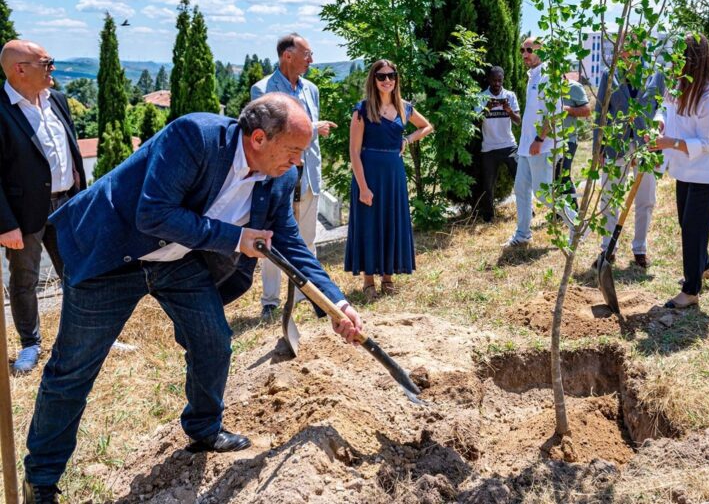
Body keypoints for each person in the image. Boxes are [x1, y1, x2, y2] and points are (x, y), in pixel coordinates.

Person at [22, 94, 363, 504]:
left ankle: (204, 428)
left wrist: (335, 305)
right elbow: (153, 214)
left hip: (176, 260)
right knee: (73, 370)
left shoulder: (280, 176)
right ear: (258, 138)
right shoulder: (195, 137)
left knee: (212, 340)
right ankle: (41, 479)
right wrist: (237, 238)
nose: (297, 163)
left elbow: (289, 241)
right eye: (293, 151)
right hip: (113, 252)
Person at [0, 41, 86, 376]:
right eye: (46, 62)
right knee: (24, 280)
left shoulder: (58, 101)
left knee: (78, 273)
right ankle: (30, 344)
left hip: (68, 205)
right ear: (20, 68)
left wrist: (82, 199)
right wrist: (5, 223)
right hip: (23, 215)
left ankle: (84, 335)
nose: (52, 68)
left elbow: (73, 156)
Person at [251, 34, 337, 323]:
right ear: (288, 55)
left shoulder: (311, 89)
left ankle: (305, 294)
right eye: (307, 54)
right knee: (273, 239)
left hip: (308, 173)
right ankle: (271, 301)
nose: (311, 60)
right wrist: (314, 127)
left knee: (308, 239)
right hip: (277, 173)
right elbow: (268, 131)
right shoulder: (261, 89)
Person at [648, 34, 709, 308]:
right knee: (688, 224)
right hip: (685, 170)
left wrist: (668, 142)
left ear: (692, 59)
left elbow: (707, 145)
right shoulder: (680, 86)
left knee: (693, 229)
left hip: (707, 173)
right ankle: (703, 265)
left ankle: (691, 289)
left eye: (678, 56)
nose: (673, 61)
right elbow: (664, 109)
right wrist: (660, 124)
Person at [345, 59, 433, 298]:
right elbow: (354, 151)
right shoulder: (362, 109)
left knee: (391, 220)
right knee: (369, 222)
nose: (387, 80)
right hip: (369, 173)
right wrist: (363, 186)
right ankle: (368, 281)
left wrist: (407, 140)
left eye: (391, 75)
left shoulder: (404, 107)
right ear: (373, 80)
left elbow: (427, 127)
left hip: (394, 173)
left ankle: (388, 277)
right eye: (381, 76)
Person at [592, 40, 665, 268]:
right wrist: (599, 147)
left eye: (633, 44)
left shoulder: (655, 73)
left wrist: (658, 125)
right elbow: (601, 110)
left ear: (642, 48)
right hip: (616, 144)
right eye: (624, 45)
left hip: (646, 145)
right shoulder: (609, 74)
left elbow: (662, 107)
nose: (626, 49)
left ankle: (640, 249)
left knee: (646, 198)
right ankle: (608, 248)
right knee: (610, 196)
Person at [504, 38, 575, 247]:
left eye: (529, 50)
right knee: (521, 189)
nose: (524, 54)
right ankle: (523, 234)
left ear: (540, 52)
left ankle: (577, 226)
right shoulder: (532, 76)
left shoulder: (548, 76)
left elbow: (555, 114)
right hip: (526, 146)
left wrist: (539, 139)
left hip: (541, 146)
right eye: (522, 50)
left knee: (544, 195)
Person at [476, 65, 521, 223]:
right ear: (488, 80)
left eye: (499, 81)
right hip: (489, 148)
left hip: (509, 145)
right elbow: (475, 121)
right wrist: (486, 109)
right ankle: (488, 217)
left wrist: (509, 111)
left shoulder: (510, 95)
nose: (496, 84)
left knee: (521, 179)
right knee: (488, 185)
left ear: (503, 80)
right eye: (494, 80)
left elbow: (518, 121)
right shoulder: (481, 97)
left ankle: (527, 212)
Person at [554, 76, 591, 208]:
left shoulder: (574, 87)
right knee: (553, 177)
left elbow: (587, 110)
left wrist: (567, 109)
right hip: (549, 142)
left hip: (567, 140)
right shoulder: (547, 87)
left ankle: (573, 211)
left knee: (562, 175)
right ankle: (560, 212)